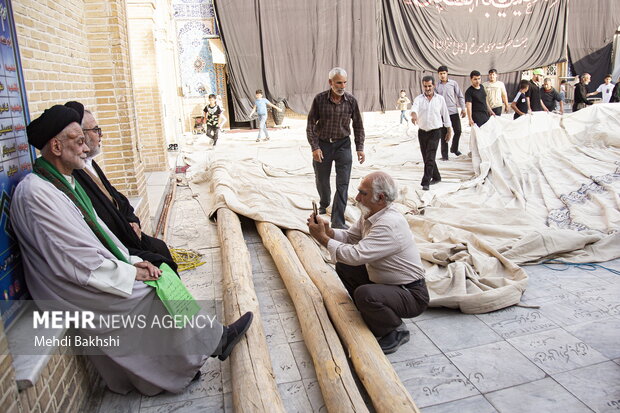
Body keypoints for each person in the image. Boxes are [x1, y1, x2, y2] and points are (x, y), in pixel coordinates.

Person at [10, 104, 253, 395]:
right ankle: (198, 353)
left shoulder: (63, 183)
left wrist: (131, 262)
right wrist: (129, 274)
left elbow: (97, 236)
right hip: (69, 286)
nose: (85, 145)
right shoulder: (36, 194)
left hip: (88, 273)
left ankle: (196, 352)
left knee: (159, 272)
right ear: (56, 146)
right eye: (78, 139)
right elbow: (71, 259)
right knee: (150, 292)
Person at [306, 171, 429, 354]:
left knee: (365, 294)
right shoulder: (372, 214)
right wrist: (329, 232)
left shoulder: (389, 224)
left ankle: (394, 329)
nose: (357, 198)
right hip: (389, 284)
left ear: (380, 197)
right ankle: (374, 313)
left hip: (410, 293)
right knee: (345, 266)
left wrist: (322, 239)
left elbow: (355, 255)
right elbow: (350, 237)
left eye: (363, 193)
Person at [64, 101, 178, 273]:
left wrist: (132, 221)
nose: (100, 135)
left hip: (126, 232)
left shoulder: (89, 164)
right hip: (114, 245)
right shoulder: (73, 173)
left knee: (159, 247)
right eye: (96, 130)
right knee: (159, 261)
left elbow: (117, 198)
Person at [306, 67, 366, 229]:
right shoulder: (319, 100)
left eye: (345, 82)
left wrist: (359, 147)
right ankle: (325, 203)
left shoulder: (351, 101)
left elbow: (358, 125)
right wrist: (315, 147)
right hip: (323, 145)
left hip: (343, 145)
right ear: (330, 82)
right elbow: (311, 124)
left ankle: (338, 220)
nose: (342, 86)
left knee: (343, 182)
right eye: (339, 82)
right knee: (322, 179)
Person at [411, 76, 452, 191]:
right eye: (425, 86)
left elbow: (445, 115)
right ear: (423, 86)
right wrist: (414, 115)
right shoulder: (419, 99)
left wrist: (449, 130)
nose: (428, 88)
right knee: (427, 158)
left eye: (430, 86)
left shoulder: (440, 99)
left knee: (430, 157)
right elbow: (414, 108)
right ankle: (437, 177)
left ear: (434, 85)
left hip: (435, 132)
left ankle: (426, 182)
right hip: (422, 132)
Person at [435, 65, 466, 160]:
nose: (442, 75)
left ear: (447, 73)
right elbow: (435, 101)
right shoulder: (436, 86)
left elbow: (460, 96)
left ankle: (454, 148)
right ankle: (445, 156)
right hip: (442, 114)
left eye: (444, 73)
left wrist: (463, 108)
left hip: (453, 111)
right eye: (440, 74)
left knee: (458, 131)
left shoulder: (453, 83)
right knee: (444, 134)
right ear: (438, 75)